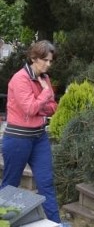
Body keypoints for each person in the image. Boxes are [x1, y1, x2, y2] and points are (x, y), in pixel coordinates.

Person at [1, 40, 62, 223]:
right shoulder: (19, 79)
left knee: (46, 184)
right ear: (33, 58)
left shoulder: (45, 79)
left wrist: (40, 105)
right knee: (10, 186)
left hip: (39, 138)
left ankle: (55, 224)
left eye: (50, 61)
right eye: (45, 60)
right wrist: (43, 95)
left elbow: (52, 108)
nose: (48, 64)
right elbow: (29, 108)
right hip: (18, 139)